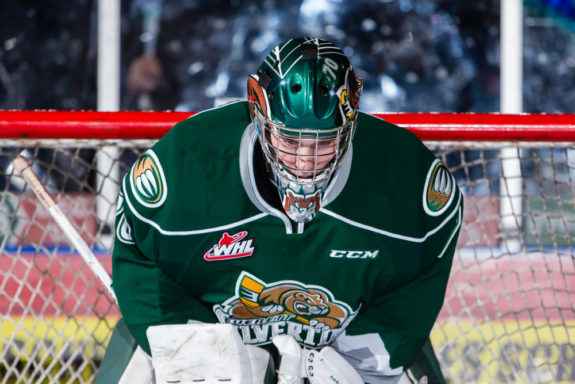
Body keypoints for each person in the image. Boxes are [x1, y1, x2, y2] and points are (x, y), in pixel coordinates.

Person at [97, 36, 463, 384]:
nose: (305, 163)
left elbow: (423, 271)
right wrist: (199, 351)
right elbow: (140, 256)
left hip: (343, 350)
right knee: (140, 355)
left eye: (324, 142)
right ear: (258, 114)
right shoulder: (188, 168)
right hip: (213, 343)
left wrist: (356, 360)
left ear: (350, 127)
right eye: (289, 139)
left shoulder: (405, 183)